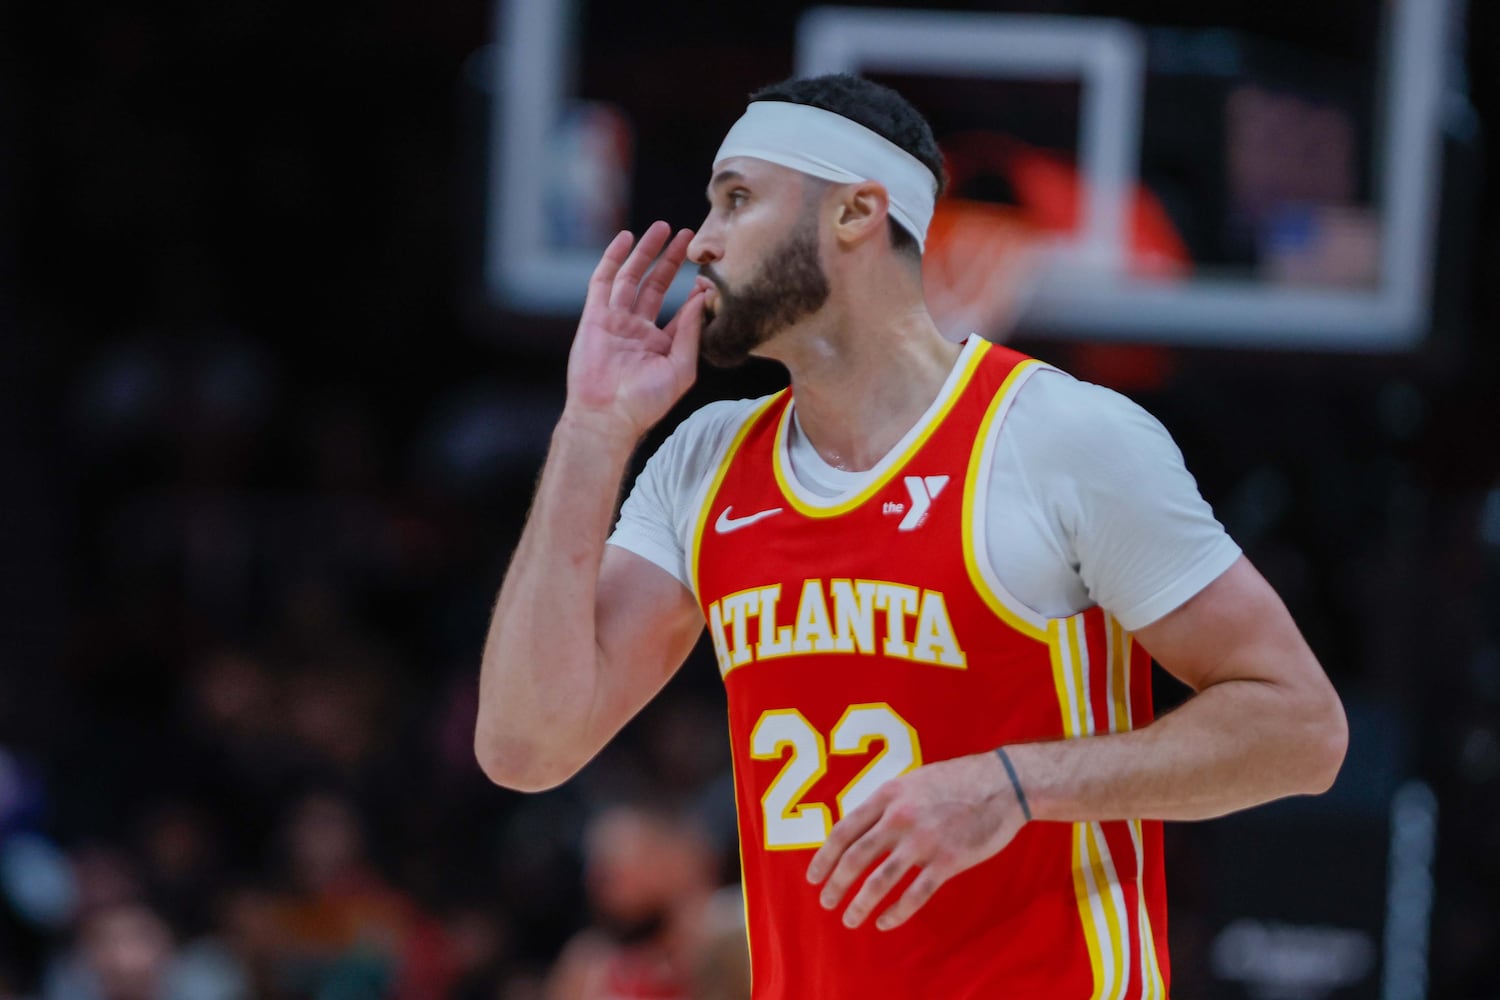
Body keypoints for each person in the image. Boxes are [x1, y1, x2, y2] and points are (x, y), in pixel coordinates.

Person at [476, 73, 1348, 999]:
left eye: (737, 199)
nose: (704, 240)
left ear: (856, 213)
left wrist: (1013, 786)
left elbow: (1301, 728)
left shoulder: (1058, 438)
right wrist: (592, 428)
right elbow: (527, 747)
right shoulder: (704, 462)